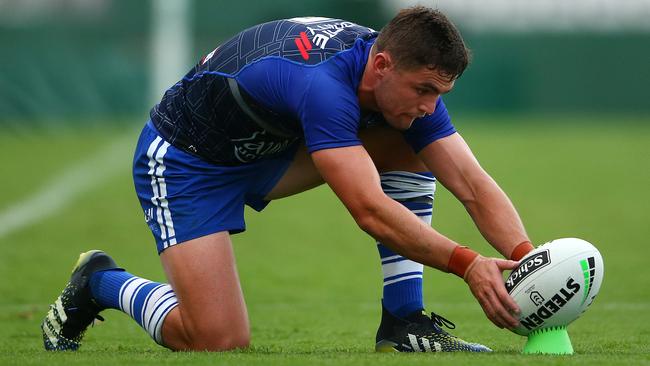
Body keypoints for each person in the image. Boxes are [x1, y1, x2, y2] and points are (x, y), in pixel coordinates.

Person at [41, 6, 535, 353]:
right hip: (185, 162)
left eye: (440, 92)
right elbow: (368, 209)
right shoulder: (323, 86)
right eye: (424, 90)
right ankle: (99, 282)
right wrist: (468, 264)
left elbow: (471, 181)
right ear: (382, 65)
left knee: (410, 142)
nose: (431, 104)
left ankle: (404, 322)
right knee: (215, 340)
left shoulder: (394, 75)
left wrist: (530, 261)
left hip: (268, 150)